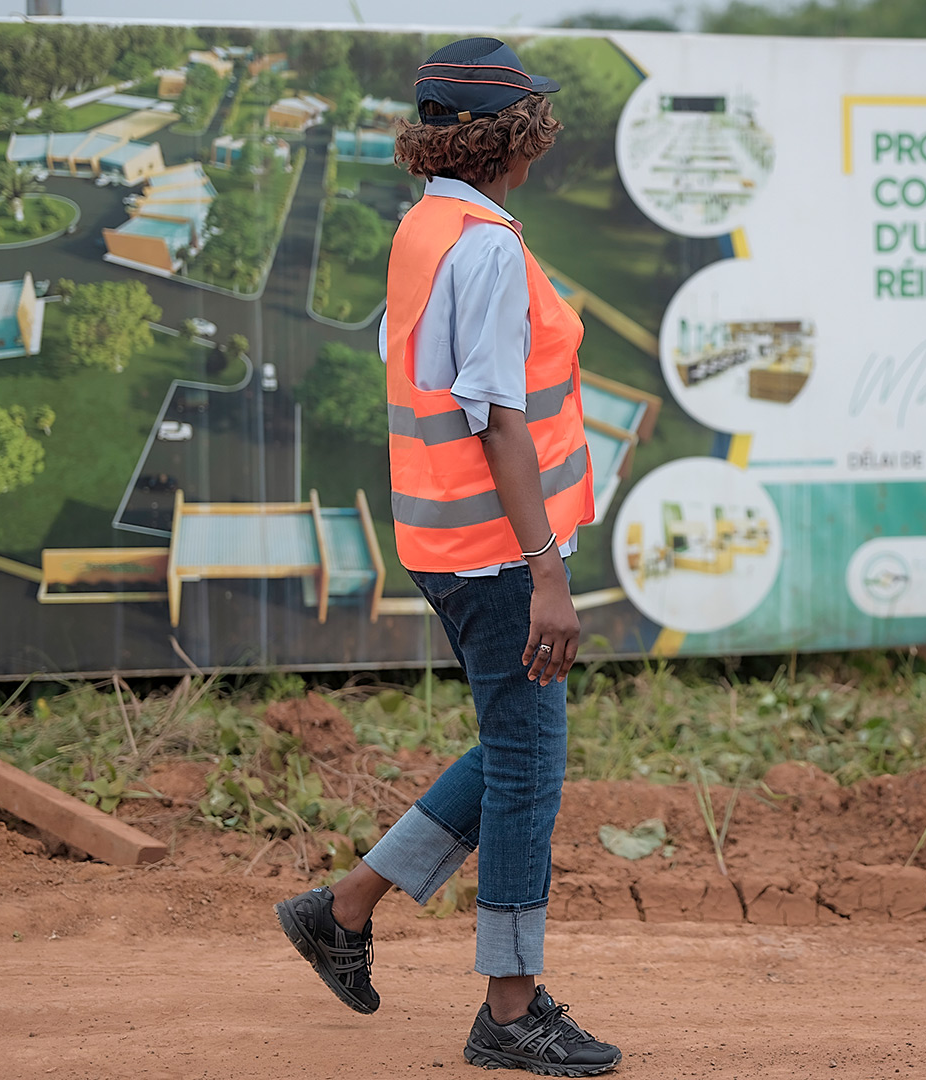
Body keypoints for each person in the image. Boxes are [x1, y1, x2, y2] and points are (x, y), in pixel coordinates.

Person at [275, 36, 621, 1077]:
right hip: (498, 554)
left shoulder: (426, 227)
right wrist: (548, 571)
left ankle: (343, 910)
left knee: (516, 747)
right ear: (518, 138)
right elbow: (499, 421)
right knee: (529, 771)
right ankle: (509, 1011)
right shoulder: (487, 248)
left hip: (444, 540)